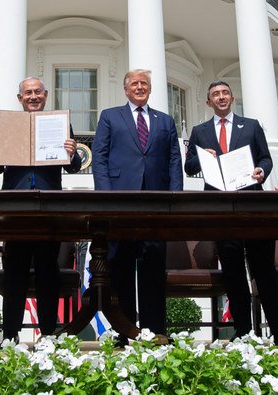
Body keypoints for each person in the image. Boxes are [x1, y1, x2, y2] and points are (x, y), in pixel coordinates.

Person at [184, 80, 278, 345]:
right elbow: (189, 166)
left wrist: (262, 171)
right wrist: (203, 157)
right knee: (233, 273)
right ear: (208, 102)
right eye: (215, 94)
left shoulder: (250, 126)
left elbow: (265, 158)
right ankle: (243, 331)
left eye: (225, 93)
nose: (221, 97)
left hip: (252, 206)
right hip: (221, 211)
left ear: (232, 97)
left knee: (263, 270)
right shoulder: (200, 131)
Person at [0, 77, 82, 341]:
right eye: (28, 93)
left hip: (48, 207)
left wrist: (72, 153)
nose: (33, 96)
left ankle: (49, 332)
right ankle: (11, 335)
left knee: (47, 271)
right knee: (14, 271)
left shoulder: (60, 123)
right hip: (16, 208)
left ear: (46, 95)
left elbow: (72, 167)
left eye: (38, 92)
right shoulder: (8, 125)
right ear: (20, 98)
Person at [92, 69, 183, 342]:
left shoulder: (165, 121)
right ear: (126, 89)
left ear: (150, 89)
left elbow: (174, 161)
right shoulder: (110, 116)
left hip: (155, 203)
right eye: (134, 83)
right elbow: (100, 157)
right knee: (120, 267)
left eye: (144, 83)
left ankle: (156, 331)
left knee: (153, 267)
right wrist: (107, 198)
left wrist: (174, 197)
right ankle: (126, 330)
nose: (140, 87)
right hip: (120, 202)